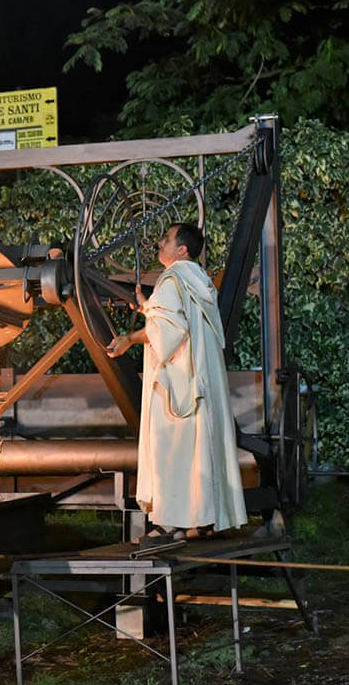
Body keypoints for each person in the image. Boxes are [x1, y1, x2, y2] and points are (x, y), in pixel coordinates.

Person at [107, 223, 248, 543]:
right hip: (201, 382)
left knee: (172, 449)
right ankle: (203, 519)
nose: (161, 242)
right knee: (199, 449)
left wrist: (129, 338)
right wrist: (149, 307)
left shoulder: (172, 279)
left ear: (182, 249)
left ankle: (169, 524)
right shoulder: (197, 280)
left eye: (167, 239)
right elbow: (178, 318)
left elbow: (170, 331)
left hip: (179, 384)